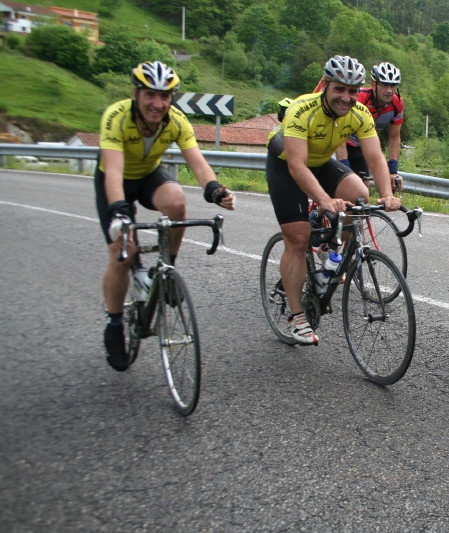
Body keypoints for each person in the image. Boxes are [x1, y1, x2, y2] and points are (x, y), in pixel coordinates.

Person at [96, 61, 236, 371]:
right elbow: (114, 173)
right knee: (123, 252)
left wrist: (214, 190)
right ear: (136, 94)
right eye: (150, 95)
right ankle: (114, 324)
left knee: (176, 202)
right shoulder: (116, 118)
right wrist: (120, 213)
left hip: (147, 176)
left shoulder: (176, 121)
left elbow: (197, 162)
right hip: (114, 181)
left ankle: (166, 267)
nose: (158, 104)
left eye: (165, 96)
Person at [266, 55, 402, 346]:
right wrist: (325, 200)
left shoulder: (360, 113)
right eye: (339, 89)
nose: (346, 97)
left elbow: (375, 156)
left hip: (319, 163)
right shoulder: (302, 110)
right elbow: (297, 167)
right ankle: (297, 317)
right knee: (299, 238)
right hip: (287, 164)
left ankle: (331, 253)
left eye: (352, 91)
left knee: (360, 197)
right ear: (326, 86)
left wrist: (387, 195)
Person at [334, 62, 405, 192]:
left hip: (362, 147)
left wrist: (393, 170)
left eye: (392, 86)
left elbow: (394, 138)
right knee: (340, 188)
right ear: (373, 84)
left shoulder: (397, 103)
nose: (389, 90)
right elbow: (340, 133)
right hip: (339, 142)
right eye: (384, 85)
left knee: (362, 191)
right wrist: (344, 165)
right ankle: (318, 210)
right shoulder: (360, 98)